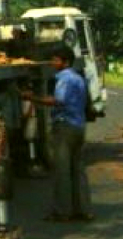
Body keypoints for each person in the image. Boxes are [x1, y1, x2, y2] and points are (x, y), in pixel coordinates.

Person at [22, 45, 92, 222]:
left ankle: (62, 212)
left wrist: (32, 98)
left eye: (55, 60)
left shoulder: (64, 80)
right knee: (78, 170)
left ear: (65, 62)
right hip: (78, 126)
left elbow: (58, 101)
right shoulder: (78, 78)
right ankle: (83, 209)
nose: (52, 63)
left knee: (62, 170)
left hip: (64, 127)